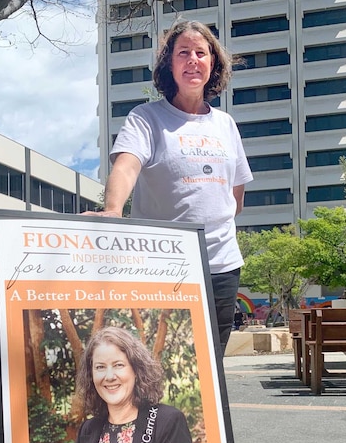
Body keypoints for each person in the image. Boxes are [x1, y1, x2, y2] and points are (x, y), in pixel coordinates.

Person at [85, 20, 253, 357]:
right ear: (169, 64)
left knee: (210, 360)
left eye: (201, 53)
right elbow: (127, 164)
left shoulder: (226, 124)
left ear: (212, 64)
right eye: (183, 53)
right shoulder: (147, 118)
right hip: (162, 263)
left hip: (221, 265)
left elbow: (236, 195)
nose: (193, 59)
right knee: (163, 358)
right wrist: (114, 209)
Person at [69, 327, 194, 443]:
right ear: (91, 375)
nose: (109, 376)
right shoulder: (88, 429)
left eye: (118, 365)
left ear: (136, 369)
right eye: (100, 367)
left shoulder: (168, 422)